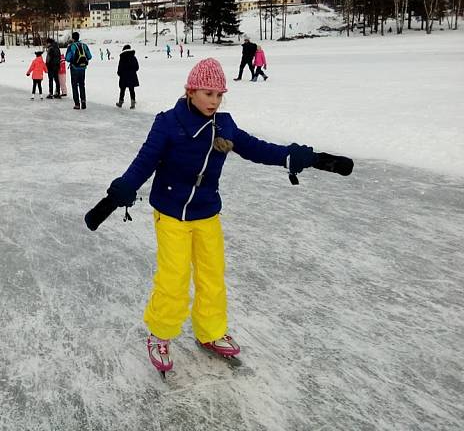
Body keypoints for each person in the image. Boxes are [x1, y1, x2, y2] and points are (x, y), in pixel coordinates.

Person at [96, 58, 331, 377]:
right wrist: (125, 185)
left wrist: (290, 155)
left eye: (219, 95)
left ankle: (210, 331)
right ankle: (160, 334)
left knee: (211, 275)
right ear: (190, 91)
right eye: (208, 93)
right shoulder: (168, 123)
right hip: (171, 212)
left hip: (206, 211)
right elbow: (145, 161)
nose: (214, 101)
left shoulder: (225, 126)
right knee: (174, 278)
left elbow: (257, 148)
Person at [64, 31, 92, 110]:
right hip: (83, 68)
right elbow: (89, 56)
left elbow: (67, 58)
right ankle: (83, 101)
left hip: (74, 68)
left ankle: (77, 104)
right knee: (82, 85)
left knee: (74, 86)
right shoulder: (84, 45)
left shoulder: (71, 46)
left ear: (72, 38)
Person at [116, 44, 139, 109]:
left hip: (123, 76)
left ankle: (120, 102)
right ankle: (133, 103)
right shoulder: (133, 57)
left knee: (122, 90)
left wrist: (119, 74)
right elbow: (137, 67)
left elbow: (119, 68)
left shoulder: (122, 57)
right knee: (132, 90)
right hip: (132, 76)